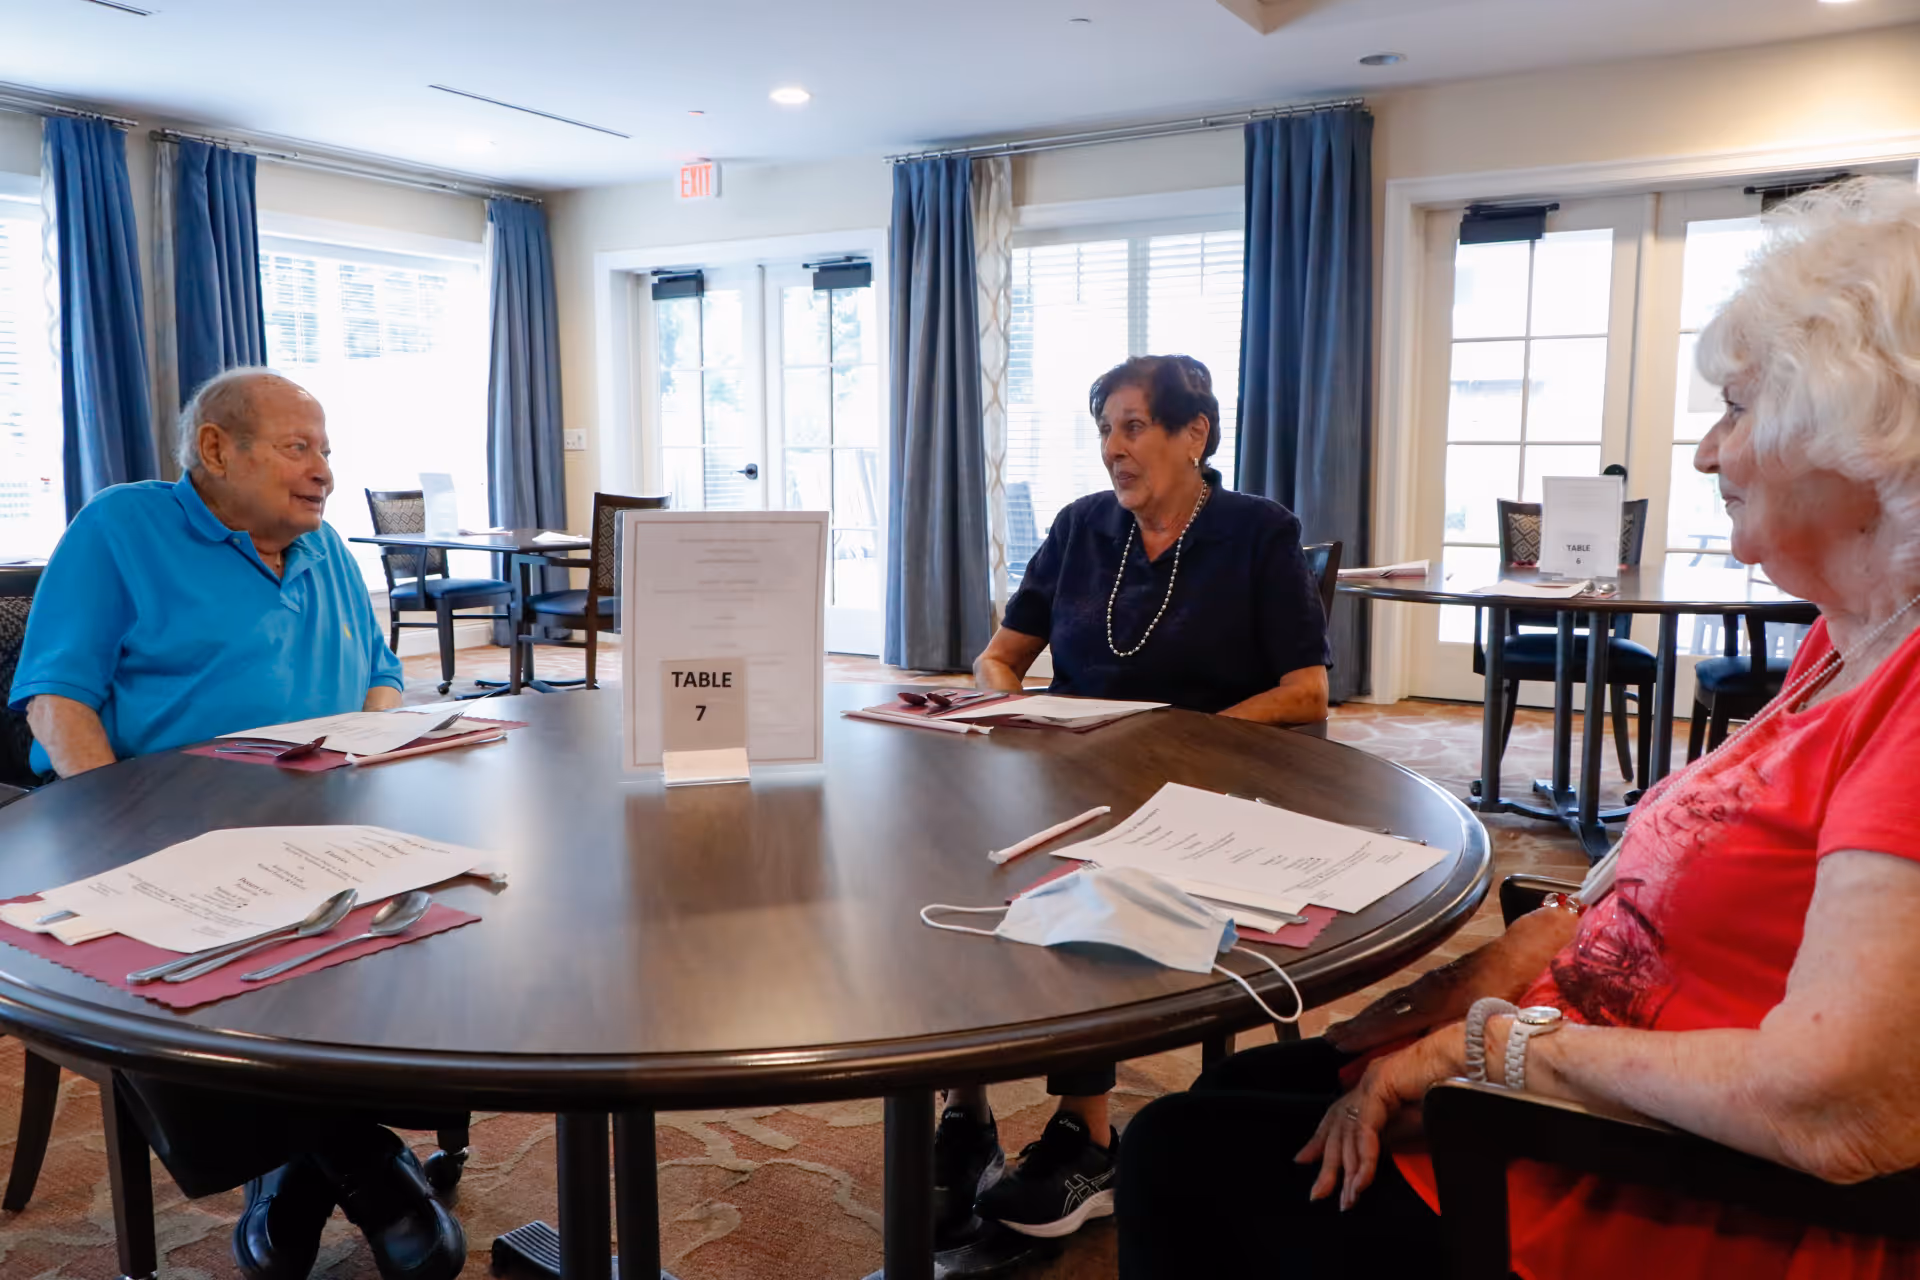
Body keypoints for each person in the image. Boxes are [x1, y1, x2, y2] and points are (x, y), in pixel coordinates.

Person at [1115, 177, 1920, 1279]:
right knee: (1236, 1085)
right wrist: (1445, 992)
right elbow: (1623, 892)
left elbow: (1839, 1106)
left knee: (1171, 1149)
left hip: (1623, 1179)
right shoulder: (1844, 640)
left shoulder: (1912, 700)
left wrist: (1483, 1046)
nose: (1706, 453)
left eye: (1735, 408)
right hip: (1574, 1069)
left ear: (1848, 426)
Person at [7, 368, 465, 1280]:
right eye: (300, 448)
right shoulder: (124, 527)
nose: (325, 471)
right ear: (217, 449)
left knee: (437, 930)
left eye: (327, 450)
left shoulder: (326, 546)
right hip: (157, 821)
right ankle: (366, 1164)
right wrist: (116, 831)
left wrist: (374, 753)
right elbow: (55, 699)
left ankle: (293, 1173)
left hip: (321, 817)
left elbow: (381, 671)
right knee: (164, 968)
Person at [935, 354, 1332, 1248]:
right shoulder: (1082, 529)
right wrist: (1009, 699)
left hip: (1208, 787)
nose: (1113, 450)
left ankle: (1089, 1137)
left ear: (1194, 435)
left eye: (1132, 427)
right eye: (1104, 430)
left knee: (1080, 882)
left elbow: (1306, 691)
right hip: (1075, 768)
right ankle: (966, 1116)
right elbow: (1000, 655)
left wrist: (1190, 742)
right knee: (952, 850)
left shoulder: (1257, 532)